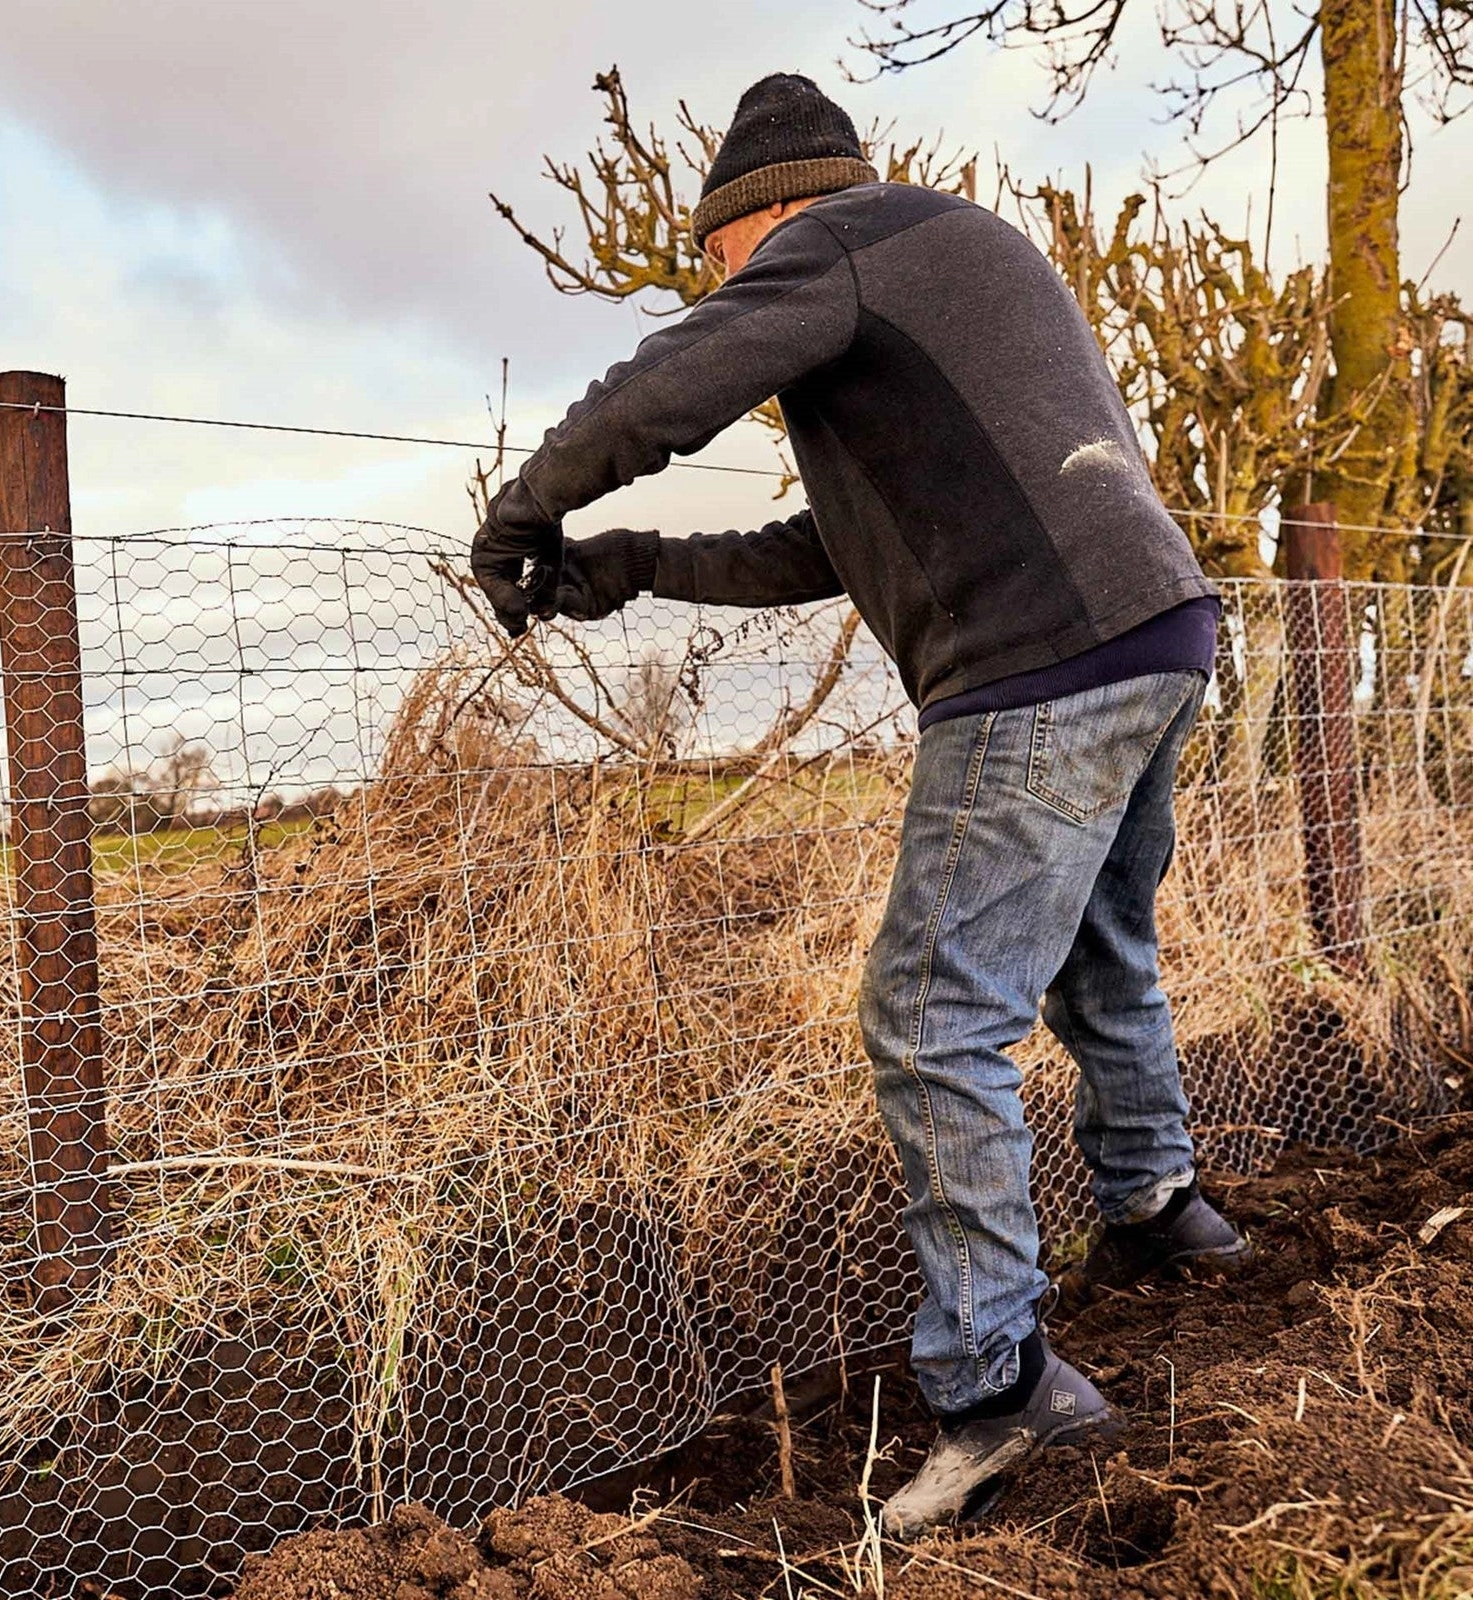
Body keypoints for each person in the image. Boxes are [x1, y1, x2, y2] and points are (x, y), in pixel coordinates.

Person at [470, 72, 1250, 1536]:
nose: (726, 289)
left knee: (933, 1011)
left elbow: (664, 387)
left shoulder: (835, 241)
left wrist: (525, 511)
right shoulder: (950, 265)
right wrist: (627, 562)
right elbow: (831, 545)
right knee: (1101, 952)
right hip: (1156, 635)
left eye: (717, 261)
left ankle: (998, 1381)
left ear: (758, 219)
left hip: (1035, 664)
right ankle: (1157, 1210)